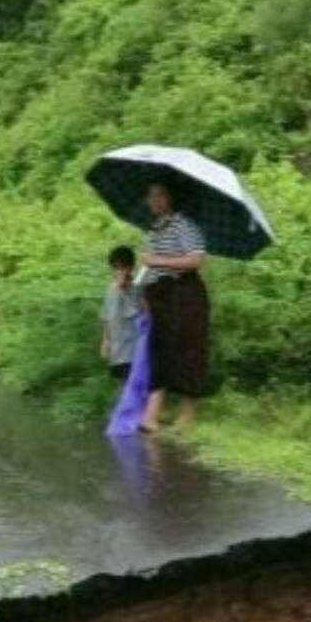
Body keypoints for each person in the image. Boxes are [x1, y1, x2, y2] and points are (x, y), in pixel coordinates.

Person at [137, 182, 210, 434]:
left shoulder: (184, 225)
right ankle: (152, 415)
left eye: (159, 194)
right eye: (150, 195)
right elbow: (150, 268)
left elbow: (196, 260)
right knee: (160, 350)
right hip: (160, 295)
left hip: (185, 294)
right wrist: (144, 297)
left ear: (170, 198)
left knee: (188, 349)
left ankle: (187, 413)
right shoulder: (154, 229)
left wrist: (156, 259)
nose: (154, 200)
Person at [99, 245, 140, 382]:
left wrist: (123, 290)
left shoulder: (137, 289)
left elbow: (137, 313)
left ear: (130, 268)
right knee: (124, 387)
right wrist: (105, 340)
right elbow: (106, 317)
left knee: (134, 389)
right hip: (117, 351)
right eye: (115, 267)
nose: (118, 271)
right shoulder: (110, 290)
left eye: (122, 267)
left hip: (133, 351)